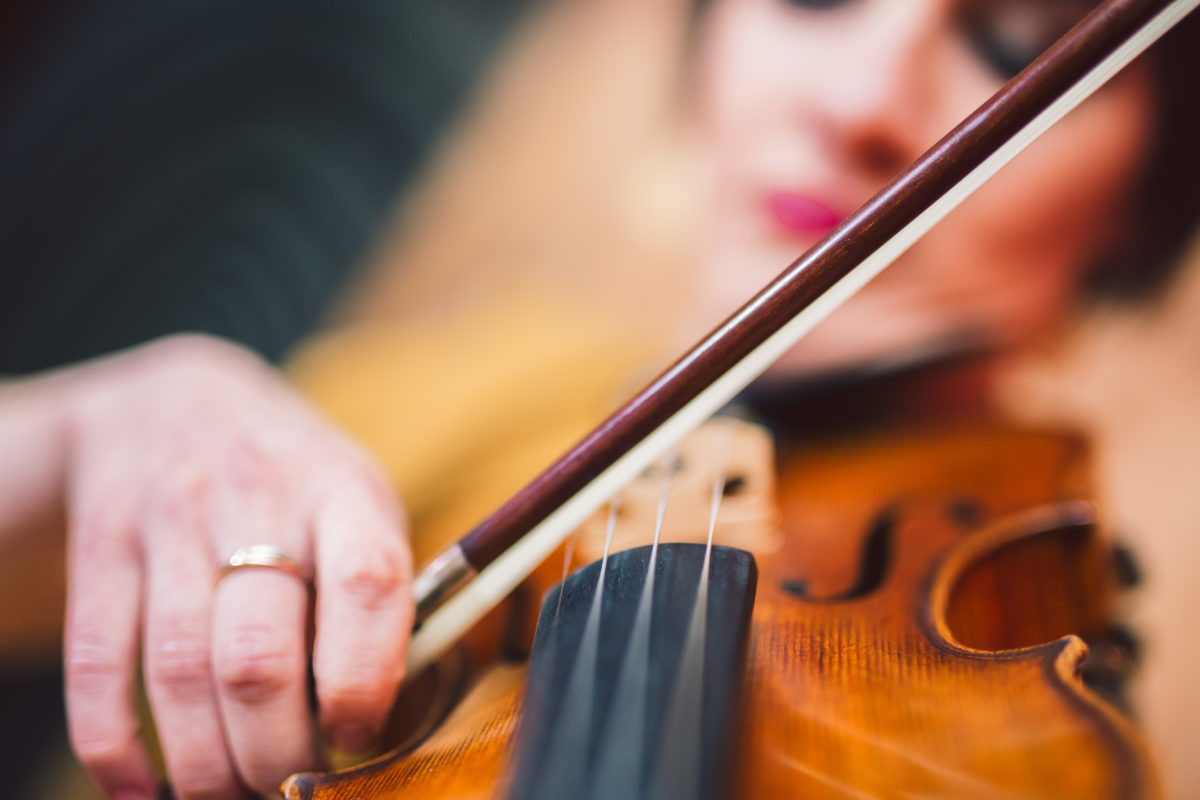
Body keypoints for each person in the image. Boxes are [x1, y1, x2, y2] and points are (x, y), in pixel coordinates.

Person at [0, 1, 1196, 798]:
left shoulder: (1033, 710)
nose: (863, 104)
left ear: (1141, 204)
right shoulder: (476, 381)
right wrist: (95, 432)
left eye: (1013, 40)